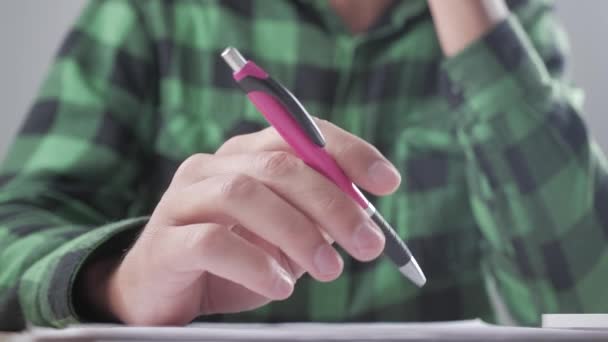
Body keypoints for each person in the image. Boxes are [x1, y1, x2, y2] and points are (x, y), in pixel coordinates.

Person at [0, 0, 606, 331]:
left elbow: (587, 303)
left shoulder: (510, 25)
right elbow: (11, 236)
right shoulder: (158, 10)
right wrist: (118, 284)